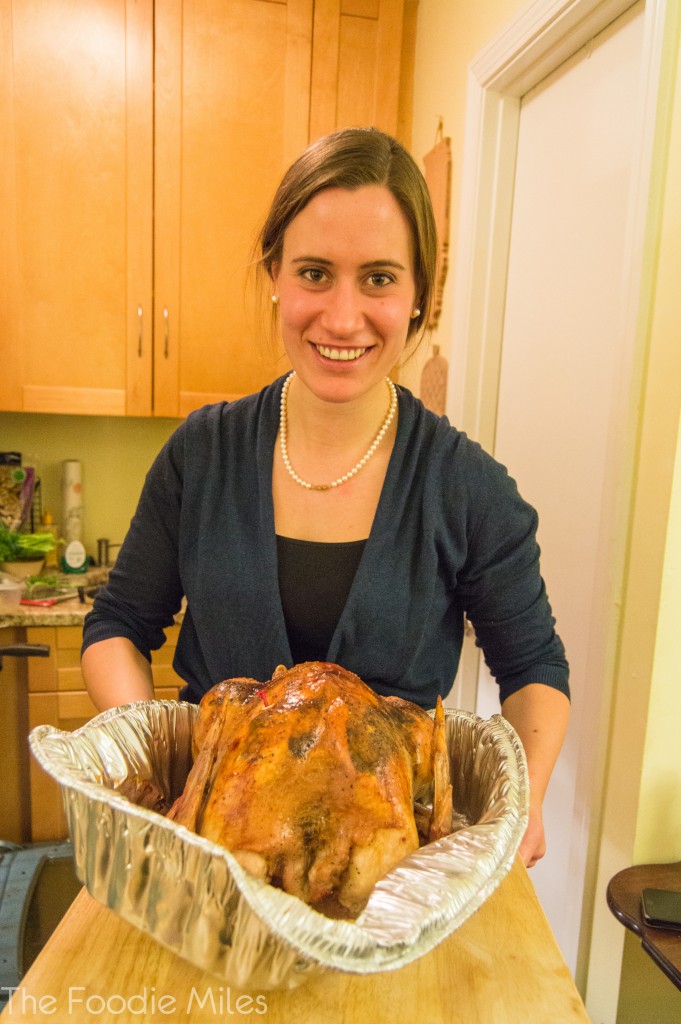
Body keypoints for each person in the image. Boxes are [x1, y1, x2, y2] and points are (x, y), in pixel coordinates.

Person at [81, 127, 569, 868]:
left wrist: (525, 798)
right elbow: (118, 624)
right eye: (314, 272)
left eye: (377, 278)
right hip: (212, 850)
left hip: (388, 868)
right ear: (275, 273)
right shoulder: (201, 455)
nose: (342, 318)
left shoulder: (465, 487)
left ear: (416, 298)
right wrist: (162, 775)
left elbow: (533, 669)